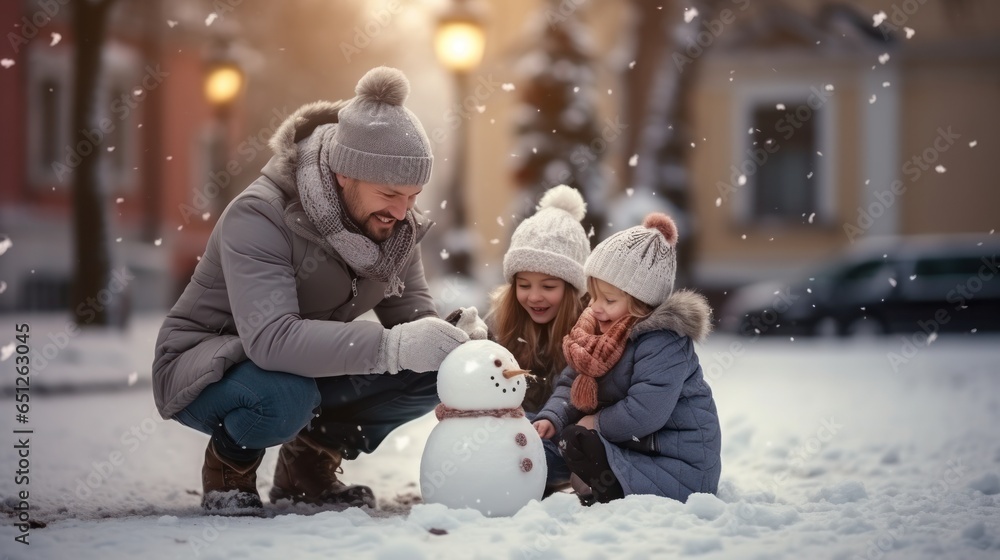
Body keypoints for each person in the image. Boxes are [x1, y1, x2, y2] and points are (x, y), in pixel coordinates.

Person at [151, 66, 484, 515]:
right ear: (344, 173)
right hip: (212, 364)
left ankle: (307, 465)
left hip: (304, 367)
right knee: (284, 397)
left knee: (440, 368)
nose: (403, 212)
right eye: (390, 193)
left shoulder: (394, 225)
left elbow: (410, 318)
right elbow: (270, 341)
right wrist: (393, 346)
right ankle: (230, 465)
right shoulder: (261, 216)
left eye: (413, 195)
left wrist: (453, 338)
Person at [532, 212, 721, 504]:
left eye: (609, 300)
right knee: (564, 438)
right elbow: (570, 383)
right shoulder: (598, 334)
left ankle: (609, 483)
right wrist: (552, 417)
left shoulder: (664, 342)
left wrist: (596, 422)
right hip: (634, 447)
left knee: (580, 440)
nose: (595, 308)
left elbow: (646, 411)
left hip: (675, 460)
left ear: (642, 305)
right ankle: (565, 474)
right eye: (593, 297)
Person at [489, 184, 590, 414]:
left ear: (572, 289)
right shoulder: (506, 328)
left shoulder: (590, 336)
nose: (534, 296)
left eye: (548, 286)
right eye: (524, 285)